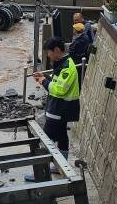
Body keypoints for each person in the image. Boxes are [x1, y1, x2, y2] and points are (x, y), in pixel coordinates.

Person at [25, 37, 80, 181]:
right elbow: (56, 83)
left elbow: (59, 90)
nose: (48, 55)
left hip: (58, 110)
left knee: (45, 142)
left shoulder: (67, 67)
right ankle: (60, 165)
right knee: (62, 136)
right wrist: (45, 77)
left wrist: (43, 81)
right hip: (61, 110)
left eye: (49, 52)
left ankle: (41, 173)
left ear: (56, 50)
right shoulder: (62, 64)